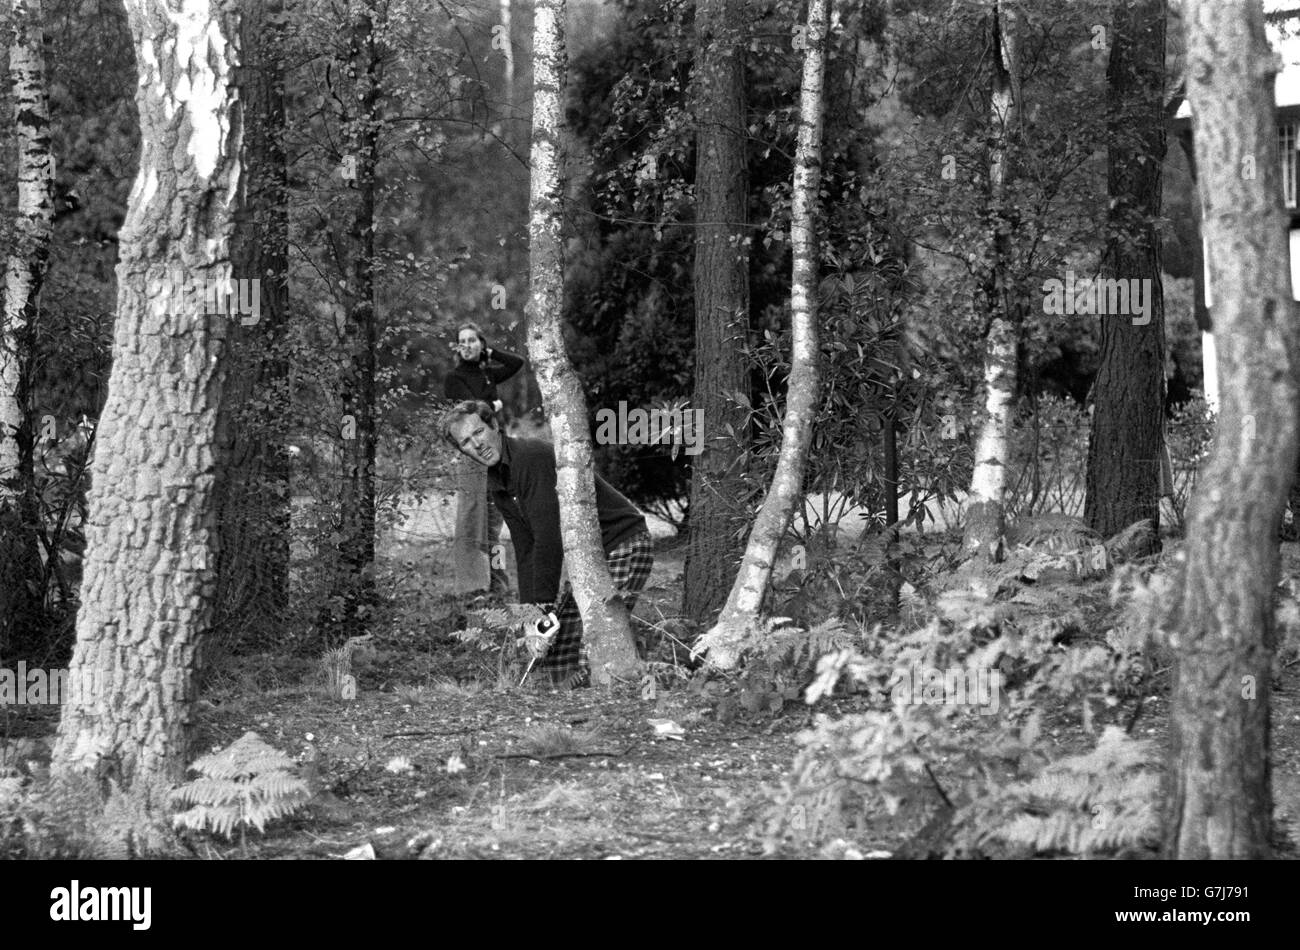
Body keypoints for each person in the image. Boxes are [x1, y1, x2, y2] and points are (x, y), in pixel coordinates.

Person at [441, 400, 654, 687]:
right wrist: (531, 616)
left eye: (478, 432)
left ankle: (613, 696)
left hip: (624, 541)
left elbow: (547, 538)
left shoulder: (530, 459)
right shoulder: (497, 479)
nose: (476, 445)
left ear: (493, 425)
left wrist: (542, 606)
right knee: (558, 649)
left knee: (591, 642)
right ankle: (563, 704)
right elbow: (525, 546)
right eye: (466, 442)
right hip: (588, 557)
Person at [444, 323, 524, 597]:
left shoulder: (487, 372)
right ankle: (474, 587)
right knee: (473, 520)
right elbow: (469, 415)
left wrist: (491, 352)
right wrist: (493, 407)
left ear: (480, 343)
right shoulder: (454, 377)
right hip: (472, 457)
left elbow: (517, 363)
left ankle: (498, 585)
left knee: (494, 524)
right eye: (461, 341)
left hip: (497, 455)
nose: (466, 345)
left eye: (472, 340)